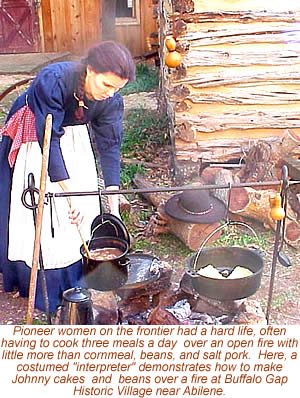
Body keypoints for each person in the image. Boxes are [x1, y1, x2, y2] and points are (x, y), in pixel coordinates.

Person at [0, 41, 136, 313]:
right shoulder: (53, 81)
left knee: (81, 207)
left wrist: (113, 199)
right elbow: (48, 140)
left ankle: (76, 276)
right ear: (89, 70)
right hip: (37, 133)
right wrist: (65, 191)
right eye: (106, 85)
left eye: (117, 89)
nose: (110, 94)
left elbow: (109, 147)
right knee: (46, 209)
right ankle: (39, 284)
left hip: (75, 137)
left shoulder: (109, 100)